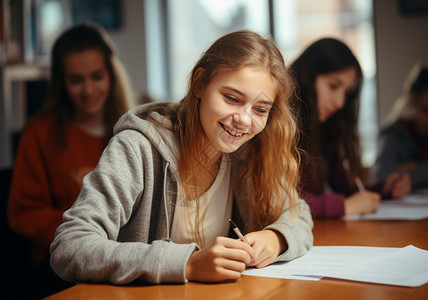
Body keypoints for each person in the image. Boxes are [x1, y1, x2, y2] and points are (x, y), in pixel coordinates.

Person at [49, 30, 313, 285]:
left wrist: (275, 237)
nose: (244, 120)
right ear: (200, 84)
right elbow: (70, 245)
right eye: (232, 98)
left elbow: (298, 213)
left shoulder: (249, 153)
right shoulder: (137, 148)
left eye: (260, 109)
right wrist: (187, 264)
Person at [7, 23, 134, 298]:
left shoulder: (134, 129)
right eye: (76, 80)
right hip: (64, 259)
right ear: (61, 83)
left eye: (97, 76)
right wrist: (85, 237)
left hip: (129, 252)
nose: (88, 90)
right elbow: (24, 214)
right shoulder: (39, 134)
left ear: (111, 75)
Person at [289, 38, 411, 219]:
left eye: (346, 92)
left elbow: (345, 188)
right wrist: (343, 206)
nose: (340, 102)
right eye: (333, 86)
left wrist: (383, 188)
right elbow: (282, 203)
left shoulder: (323, 129)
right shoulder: (279, 126)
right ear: (307, 76)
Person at [372, 65, 428, 188]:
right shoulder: (393, 133)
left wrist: (414, 167)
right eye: (425, 110)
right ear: (415, 101)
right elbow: (382, 175)